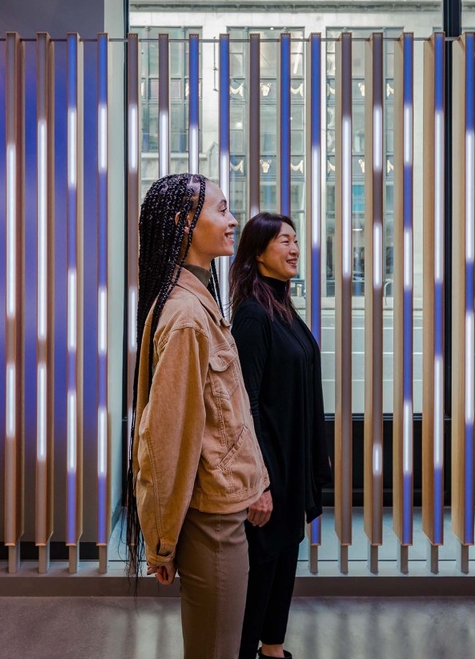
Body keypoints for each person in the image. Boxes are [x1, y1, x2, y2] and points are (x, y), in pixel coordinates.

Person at [127, 173, 270, 659]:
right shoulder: (188, 317)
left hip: (219, 518)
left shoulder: (197, 302)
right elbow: (167, 440)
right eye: (222, 210)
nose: (233, 221)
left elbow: (221, 419)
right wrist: (162, 541)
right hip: (211, 529)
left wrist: (254, 482)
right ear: (184, 222)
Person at [229, 213, 331, 659]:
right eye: (283, 241)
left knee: (283, 565)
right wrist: (260, 481)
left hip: (291, 470)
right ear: (257, 251)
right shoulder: (252, 315)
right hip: (270, 471)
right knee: (261, 574)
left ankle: (273, 650)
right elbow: (244, 404)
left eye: (295, 239)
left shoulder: (282, 306)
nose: (293, 248)